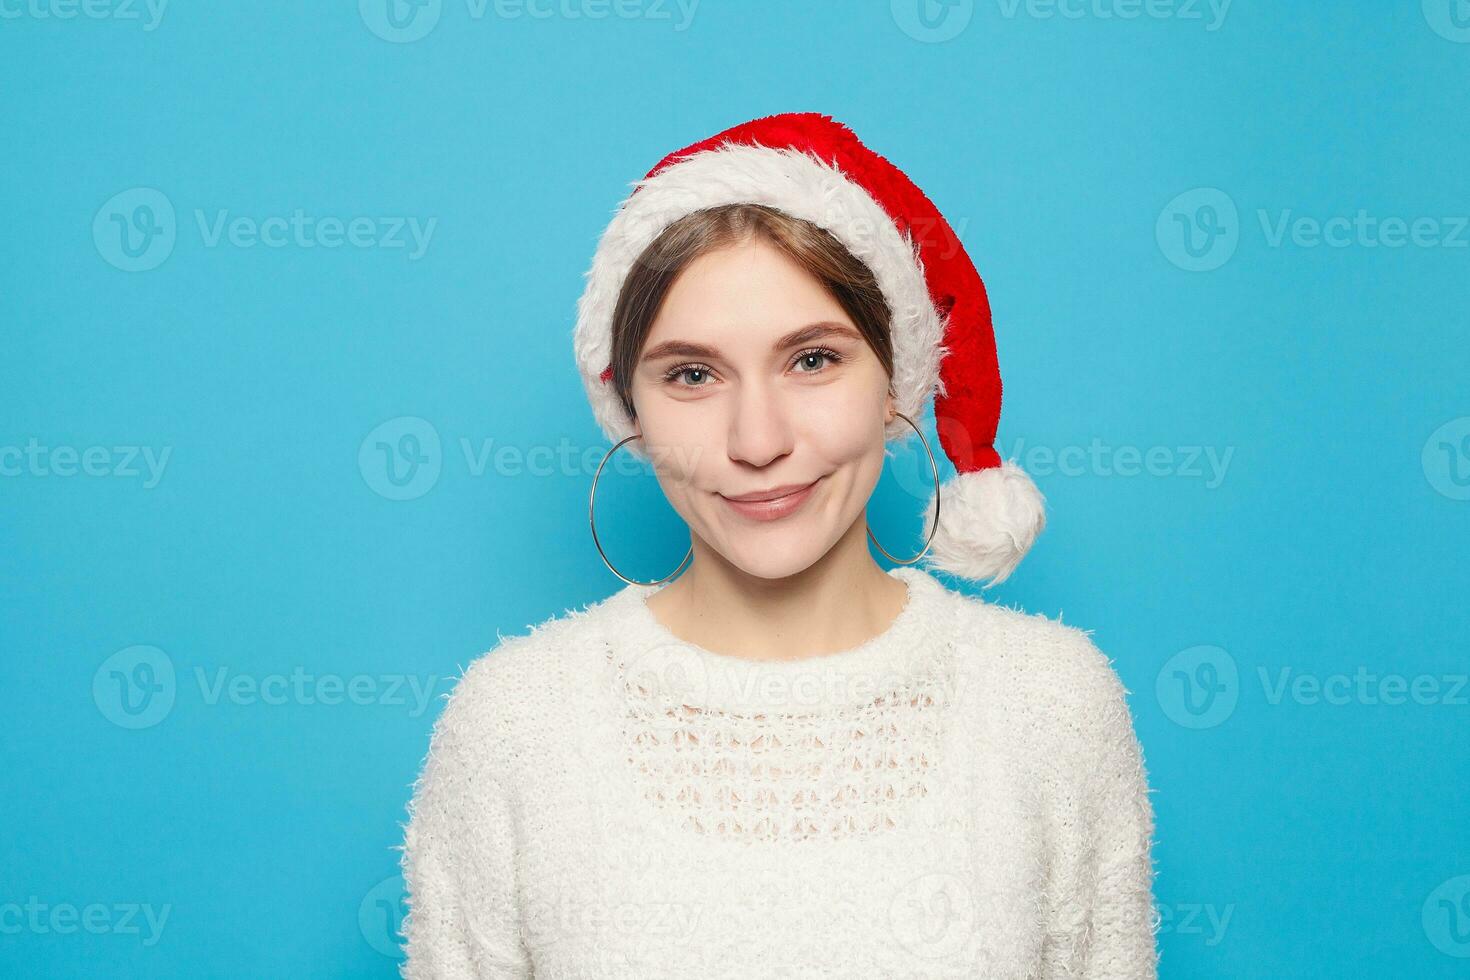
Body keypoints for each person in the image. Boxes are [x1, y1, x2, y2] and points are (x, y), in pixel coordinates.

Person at [396, 112, 1160, 978]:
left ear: (896, 378)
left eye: (813, 361)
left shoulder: (1052, 706)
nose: (757, 441)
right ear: (632, 412)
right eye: (692, 375)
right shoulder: (513, 724)